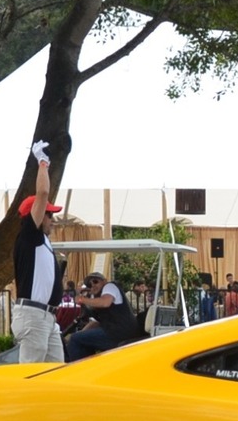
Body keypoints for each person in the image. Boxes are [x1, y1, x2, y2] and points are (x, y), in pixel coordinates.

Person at [11, 142, 65, 364]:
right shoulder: (29, 235)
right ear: (35, 215)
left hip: (46, 317)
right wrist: (43, 162)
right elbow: (42, 192)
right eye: (48, 215)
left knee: (56, 374)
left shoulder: (41, 240)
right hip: (34, 316)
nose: (52, 219)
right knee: (31, 376)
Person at [64, 272, 145, 361]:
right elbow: (96, 323)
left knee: (75, 340)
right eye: (89, 285)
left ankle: (78, 370)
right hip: (117, 332)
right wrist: (81, 333)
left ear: (104, 281)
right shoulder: (98, 299)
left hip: (119, 332)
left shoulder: (110, 286)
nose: (93, 285)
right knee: (80, 339)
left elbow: (105, 302)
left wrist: (81, 299)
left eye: (95, 281)